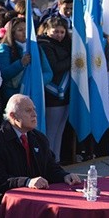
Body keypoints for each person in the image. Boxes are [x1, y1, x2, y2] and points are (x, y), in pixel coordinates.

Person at [38, 16, 71, 162]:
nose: (59, 35)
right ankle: (49, 162)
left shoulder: (66, 44)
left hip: (65, 93)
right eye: (55, 31)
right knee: (51, 131)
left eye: (62, 32)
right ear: (47, 30)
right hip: (52, 92)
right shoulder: (44, 44)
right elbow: (54, 67)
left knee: (60, 131)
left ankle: (56, 160)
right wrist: (73, 59)